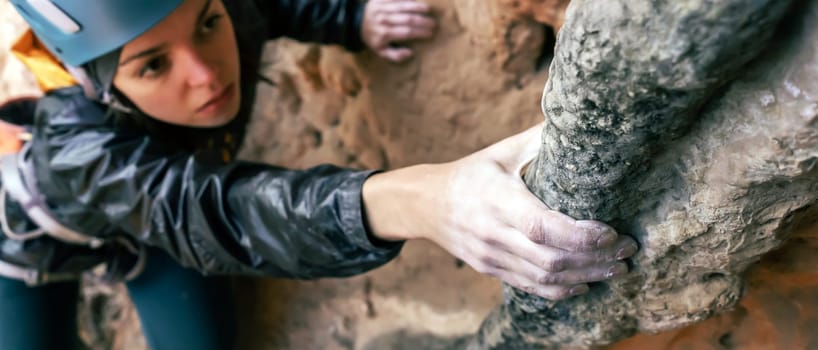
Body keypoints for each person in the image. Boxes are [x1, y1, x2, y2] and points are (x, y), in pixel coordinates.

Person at [0, 0, 638, 349]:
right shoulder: (77, 149)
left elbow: (269, 9)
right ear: (90, 82)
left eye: (207, 24)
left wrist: (351, 18)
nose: (206, 74)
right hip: (39, 249)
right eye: (152, 66)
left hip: (161, 226)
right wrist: (425, 200)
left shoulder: (224, 10)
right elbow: (221, 212)